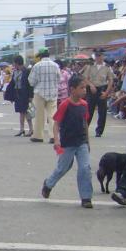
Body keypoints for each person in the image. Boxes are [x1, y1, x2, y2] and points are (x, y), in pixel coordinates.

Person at [40, 75, 93, 208]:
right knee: (62, 168)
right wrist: (56, 140)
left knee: (85, 168)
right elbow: (56, 124)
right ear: (72, 89)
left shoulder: (84, 105)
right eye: (81, 88)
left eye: (85, 88)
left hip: (81, 142)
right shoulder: (65, 104)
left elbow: (85, 123)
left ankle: (86, 197)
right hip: (67, 143)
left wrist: (87, 142)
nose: (84, 90)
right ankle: (48, 184)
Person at [27, 49, 59, 143]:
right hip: (52, 92)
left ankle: (38, 136)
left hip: (39, 93)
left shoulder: (37, 66)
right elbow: (59, 78)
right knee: (52, 115)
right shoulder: (55, 65)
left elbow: (31, 81)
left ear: (40, 56)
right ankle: (53, 136)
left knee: (38, 115)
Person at [83, 49, 114, 137]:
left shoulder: (107, 67)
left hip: (102, 89)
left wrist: (106, 92)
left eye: (100, 55)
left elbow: (111, 80)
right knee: (89, 110)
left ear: (103, 56)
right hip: (91, 89)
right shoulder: (90, 66)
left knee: (102, 112)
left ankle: (99, 131)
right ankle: (85, 129)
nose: (98, 57)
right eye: (96, 55)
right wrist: (90, 85)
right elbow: (85, 78)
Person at [6, 55, 34, 137]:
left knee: (27, 112)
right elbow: (12, 83)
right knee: (21, 112)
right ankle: (22, 129)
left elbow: (30, 84)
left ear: (17, 63)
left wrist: (30, 96)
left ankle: (30, 129)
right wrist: (10, 96)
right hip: (17, 93)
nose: (13, 65)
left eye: (14, 63)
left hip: (25, 94)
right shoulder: (15, 72)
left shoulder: (27, 71)